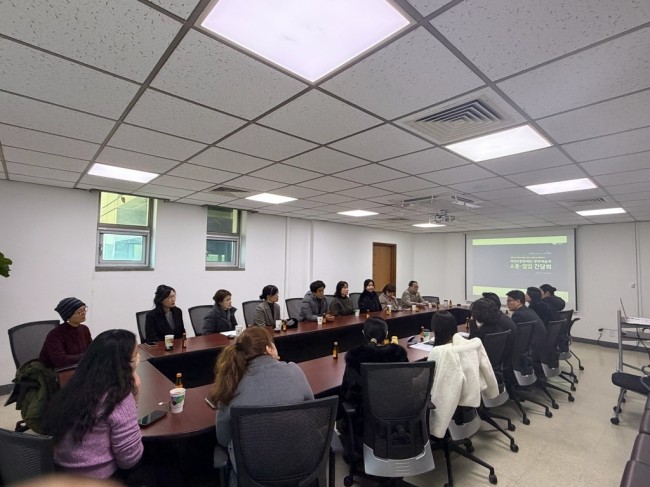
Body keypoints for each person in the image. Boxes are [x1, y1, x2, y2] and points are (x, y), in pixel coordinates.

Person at [209, 327, 313, 483]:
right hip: (299, 466)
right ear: (268, 348)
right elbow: (311, 413)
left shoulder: (230, 383)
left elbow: (223, 438)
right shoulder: (294, 370)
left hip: (252, 475)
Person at [44, 329, 143, 480]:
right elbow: (129, 460)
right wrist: (133, 389)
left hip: (61, 476)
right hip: (101, 479)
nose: (138, 357)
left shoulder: (74, 387)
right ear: (126, 363)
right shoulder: (117, 397)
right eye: (136, 353)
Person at [338, 318, 407, 455]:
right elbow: (406, 385)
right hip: (395, 417)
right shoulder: (398, 354)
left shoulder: (355, 357)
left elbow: (346, 391)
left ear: (364, 333)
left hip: (363, 421)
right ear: (386, 334)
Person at [427, 311, 498, 438]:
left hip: (451, 401)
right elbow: (487, 369)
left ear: (435, 329)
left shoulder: (439, 351)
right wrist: (491, 392)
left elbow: (429, 382)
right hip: (469, 396)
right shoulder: (472, 344)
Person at [39, 297, 92, 369]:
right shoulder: (55, 335)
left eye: (84, 309)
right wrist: (85, 357)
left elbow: (91, 350)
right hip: (54, 371)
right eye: (79, 311)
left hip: (76, 367)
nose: (83, 313)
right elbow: (60, 361)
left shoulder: (84, 329)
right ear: (68, 316)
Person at [506, 290, 546, 361]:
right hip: (539, 348)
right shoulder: (529, 311)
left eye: (509, 301)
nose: (507, 304)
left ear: (518, 301)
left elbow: (512, 334)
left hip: (531, 350)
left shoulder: (518, 315)